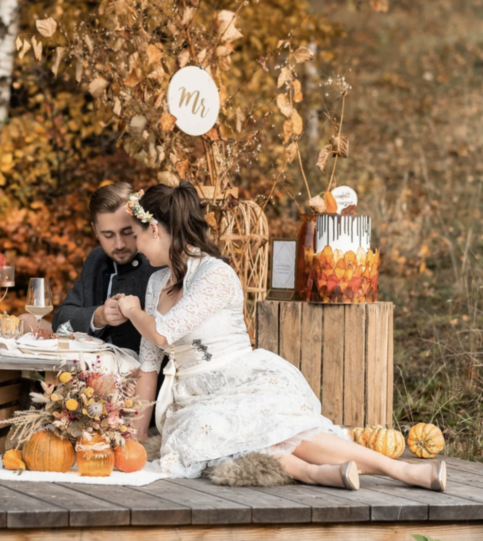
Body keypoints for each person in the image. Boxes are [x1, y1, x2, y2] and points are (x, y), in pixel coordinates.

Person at [112, 181, 445, 492]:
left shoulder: (215, 275)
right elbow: (149, 363)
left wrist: (132, 310)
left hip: (240, 378)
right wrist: (138, 435)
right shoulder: (157, 283)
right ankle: (313, 472)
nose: (135, 247)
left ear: (154, 229)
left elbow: (160, 332)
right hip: (194, 396)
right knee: (213, 427)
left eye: (136, 235)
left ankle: (400, 470)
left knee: (270, 422)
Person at [48, 182, 163, 351]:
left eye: (127, 232)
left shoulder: (157, 260)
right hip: (92, 368)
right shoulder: (96, 258)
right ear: (95, 230)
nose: (119, 244)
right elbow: (61, 318)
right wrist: (99, 315)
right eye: (108, 235)